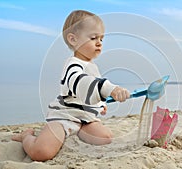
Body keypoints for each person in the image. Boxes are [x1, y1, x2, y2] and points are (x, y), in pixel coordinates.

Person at [11, 10, 130, 161]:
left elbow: (91, 92)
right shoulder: (73, 65)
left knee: (105, 137)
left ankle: (77, 132)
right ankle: (26, 136)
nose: (99, 42)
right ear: (73, 39)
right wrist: (110, 89)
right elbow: (81, 83)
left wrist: (101, 104)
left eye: (101, 38)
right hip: (65, 117)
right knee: (41, 152)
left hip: (84, 119)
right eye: (93, 38)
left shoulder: (93, 66)